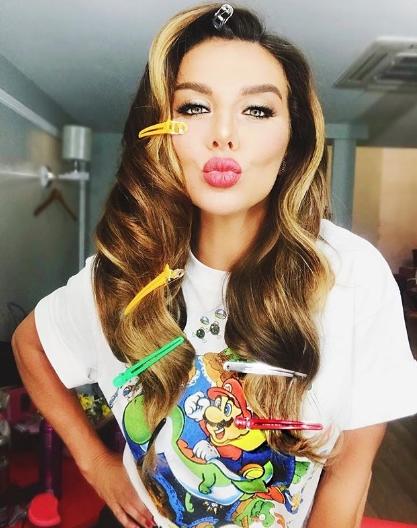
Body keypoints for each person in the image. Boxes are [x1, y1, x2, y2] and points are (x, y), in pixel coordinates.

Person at [11, 3, 417, 528]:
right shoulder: (119, 278)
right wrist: (96, 465)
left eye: (258, 111)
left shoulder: (352, 274)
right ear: (161, 132)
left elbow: (352, 467)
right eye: (195, 107)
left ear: (292, 141)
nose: (224, 134)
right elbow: (29, 345)